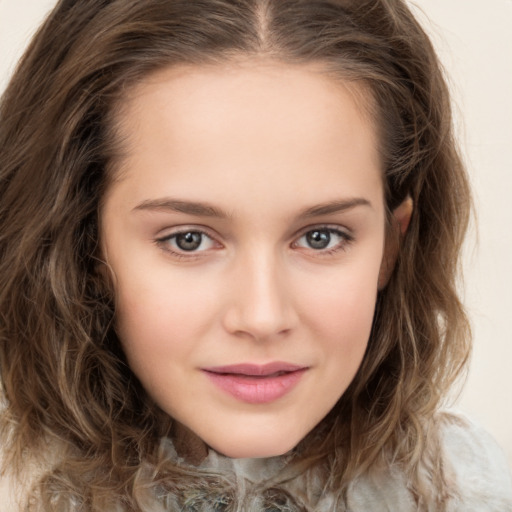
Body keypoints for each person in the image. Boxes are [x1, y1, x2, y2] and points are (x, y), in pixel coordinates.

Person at [0, 0, 511, 510]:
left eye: (321, 237)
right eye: (188, 239)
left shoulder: (464, 491)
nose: (263, 317)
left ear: (390, 246)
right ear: (83, 247)